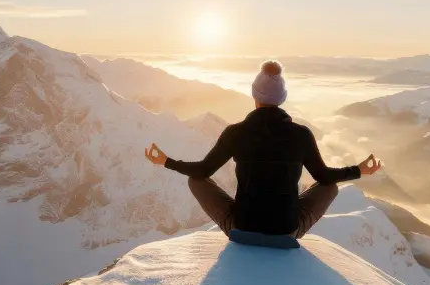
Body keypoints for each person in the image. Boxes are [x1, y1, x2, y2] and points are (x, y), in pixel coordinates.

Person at [144, 60, 382, 238]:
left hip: (243, 227)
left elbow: (203, 171)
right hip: (286, 231)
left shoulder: (235, 132)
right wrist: (359, 170)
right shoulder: (302, 135)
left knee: (196, 181)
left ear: (254, 96)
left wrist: (166, 161)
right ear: (282, 98)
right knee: (329, 187)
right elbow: (324, 177)